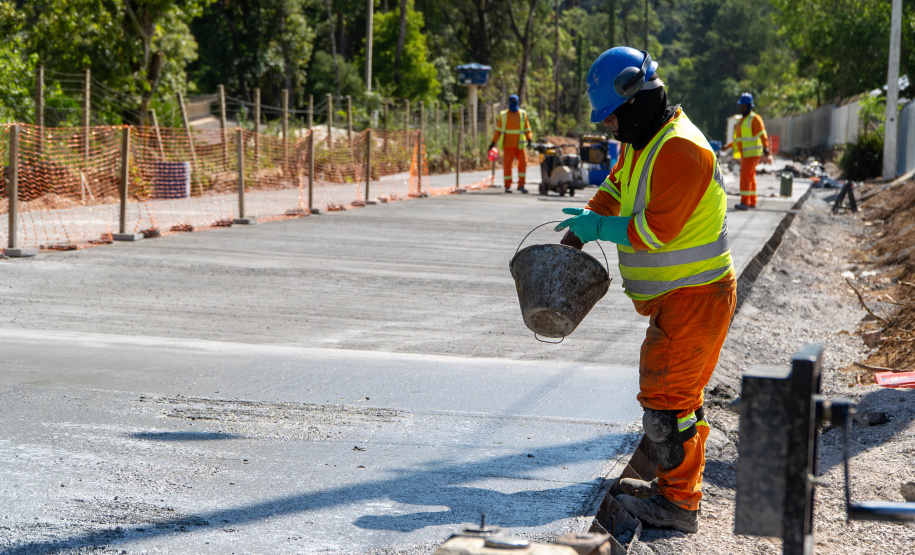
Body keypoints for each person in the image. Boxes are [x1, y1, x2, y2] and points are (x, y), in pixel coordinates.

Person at [554, 46, 736, 534]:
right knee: (676, 398)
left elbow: (657, 232)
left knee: (667, 401)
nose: (609, 127)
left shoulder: (682, 150)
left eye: (611, 117)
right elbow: (616, 192)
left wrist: (599, 231)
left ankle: (678, 504)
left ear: (638, 97)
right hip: (678, 297)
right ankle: (673, 489)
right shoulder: (644, 141)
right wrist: (576, 237)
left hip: (696, 296)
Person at [726, 93, 773, 210]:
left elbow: (762, 133)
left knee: (745, 177)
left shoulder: (754, 119)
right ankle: (752, 201)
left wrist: (766, 147)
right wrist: (727, 146)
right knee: (750, 177)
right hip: (746, 154)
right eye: (741, 106)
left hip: (751, 154)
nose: (741, 108)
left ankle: (745, 202)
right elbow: (738, 139)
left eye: (743, 106)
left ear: (749, 106)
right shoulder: (742, 120)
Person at [489, 94, 533, 193]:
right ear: (509, 103)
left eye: (515, 102)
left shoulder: (522, 114)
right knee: (507, 165)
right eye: (512, 102)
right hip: (508, 145)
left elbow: (527, 129)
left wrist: (529, 139)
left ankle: (521, 185)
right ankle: (508, 185)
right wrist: (493, 142)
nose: (513, 104)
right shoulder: (504, 115)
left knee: (523, 164)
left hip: (520, 145)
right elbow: (498, 130)